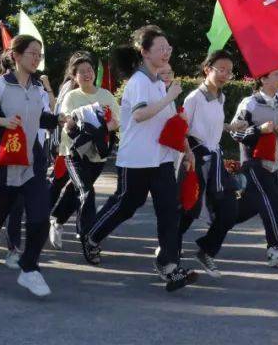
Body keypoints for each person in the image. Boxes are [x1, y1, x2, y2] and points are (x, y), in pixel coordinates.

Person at [83, 26, 199, 292]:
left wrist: (187, 149)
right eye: (160, 48)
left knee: (170, 211)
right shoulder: (139, 82)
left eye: (168, 47)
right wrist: (170, 96)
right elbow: (139, 115)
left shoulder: (159, 83)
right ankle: (92, 235)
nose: (167, 51)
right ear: (145, 52)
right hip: (136, 159)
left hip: (162, 160)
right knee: (126, 205)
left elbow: (171, 123)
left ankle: (169, 266)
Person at [0, 34, 61, 297]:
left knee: (41, 217)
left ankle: (29, 268)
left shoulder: (38, 88)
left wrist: (59, 119)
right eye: (32, 53)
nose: (37, 58)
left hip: (31, 162)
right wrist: (2, 121)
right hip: (3, 163)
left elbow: (40, 117)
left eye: (39, 54)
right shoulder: (0, 85)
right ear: (16, 56)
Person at [176, 50, 245, 277]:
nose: (225, 74)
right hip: (195, 161)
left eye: (229, 70)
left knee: (230, 210)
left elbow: (211, 127)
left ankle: (206, 250)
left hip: (214, 161)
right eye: (221, 69)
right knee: (189, 209)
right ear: (208, 69)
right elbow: (183, 130)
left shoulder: (221, 97)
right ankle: (170, 248)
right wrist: (188, 157)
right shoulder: (194, 98)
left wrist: (229, 127)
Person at [49, 52, 118, 250]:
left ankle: (57, 219)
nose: (87, 74)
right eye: (81, 72)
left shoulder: (105, 94)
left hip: (98, 153)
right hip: (74, 152)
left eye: (89, 70)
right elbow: (68, 122)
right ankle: (87, 234)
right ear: (74, 76)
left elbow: (116, 120)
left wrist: (100, 129)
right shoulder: (71, 96)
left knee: (75, 190)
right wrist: (80, 125)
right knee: (86, 191)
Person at [231, 69, 278, 267]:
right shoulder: (249, 103)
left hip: (273, 164)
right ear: (263, 79)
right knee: (274, 202)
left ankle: (216, 225)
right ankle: (274, 248)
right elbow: (235, 132)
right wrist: (259, 130)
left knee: (246, 208)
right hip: (253, 163)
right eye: (276, 75)